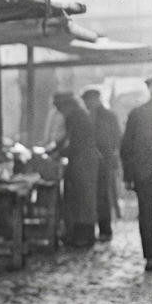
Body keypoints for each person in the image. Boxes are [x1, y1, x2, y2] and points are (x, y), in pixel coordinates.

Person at [50, 92, 99, 248]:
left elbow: (75, 142)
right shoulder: (75, 116)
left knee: (84, 199)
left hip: (84, 161)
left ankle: (85, 236)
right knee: (77, 199)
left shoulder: (77, 116)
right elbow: (66, 139)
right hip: (79, 161)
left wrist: (59, 152)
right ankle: (78, 233)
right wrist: (54, 149)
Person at [120, 76, 152, 272]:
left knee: (146, 214)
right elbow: (126, 147)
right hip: (145, 173)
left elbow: (126, 147)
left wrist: (128, 175)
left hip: (145, 172)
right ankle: (151, 257)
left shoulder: (138, 113)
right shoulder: (136, 114)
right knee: (146, 214)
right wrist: (128, 175)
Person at [83, 88, 123, 243]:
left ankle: (105, 229)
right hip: (93, 161)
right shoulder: (88, 116)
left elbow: (115, 138)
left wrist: (108, 154)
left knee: (103, 195)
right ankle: (96, 228)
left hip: (104, 161)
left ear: (96, 99)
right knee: (97, 195)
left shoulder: (108, 116)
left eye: (89, 100)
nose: (87, 104)